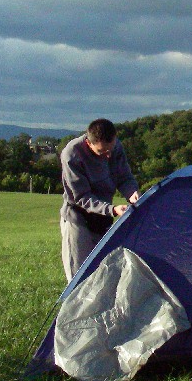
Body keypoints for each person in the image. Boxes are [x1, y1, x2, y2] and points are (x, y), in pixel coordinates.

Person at [60, 118, 140, 281]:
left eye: (110, 150)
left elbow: (124, 177)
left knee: (104, 273)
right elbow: (81, 197)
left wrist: (132, 193)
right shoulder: (72, 155)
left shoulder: (115, 147)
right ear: (89, 144)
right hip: (78, 218)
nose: (108, 155)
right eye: (102, 153)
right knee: (79, 276)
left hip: (103, 219)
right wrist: (112, 210)